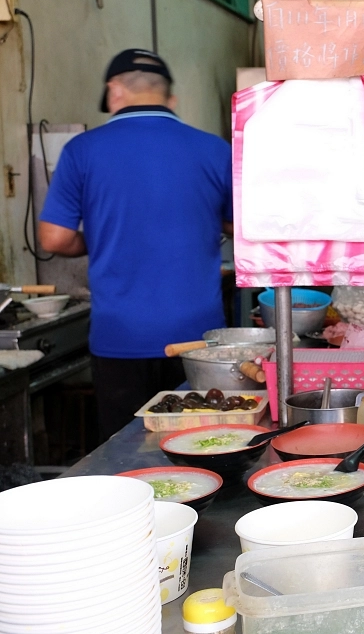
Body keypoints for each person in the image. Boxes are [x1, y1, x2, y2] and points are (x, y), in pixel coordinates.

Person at [39, 49, 233, 441]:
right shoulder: (215, 149)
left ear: (115, 91)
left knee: (127, 453)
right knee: (204, 446)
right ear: (170, 98)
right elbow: (241, 226)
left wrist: (100, 236)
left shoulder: (82, 150)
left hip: (120, 336)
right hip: (198, 337)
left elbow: (53, 238)